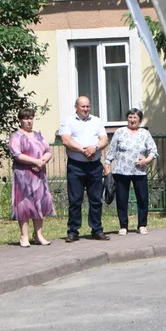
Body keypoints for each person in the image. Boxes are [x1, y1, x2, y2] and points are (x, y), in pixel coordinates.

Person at [58, 96, 111, 242]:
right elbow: (66, 140)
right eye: (83, 106)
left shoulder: (96, 121)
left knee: (96, 199)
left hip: (94, 165)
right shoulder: (68, 121)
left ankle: (97, 229)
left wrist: (94, 148)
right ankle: (73, 231)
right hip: (76, 166)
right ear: (76, 107)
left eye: (88, 106)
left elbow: (104, 139)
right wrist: (84, 150)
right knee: (75, 200)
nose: (86, 109)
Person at [103, 107, 158, 235]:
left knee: (142, 198)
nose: (132, 120)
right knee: (122, 199)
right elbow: (112, 150)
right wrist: (107, 164)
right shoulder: (120, 132)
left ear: (139, 120)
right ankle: (123, 226)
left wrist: (147, 160)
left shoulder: (145, 133)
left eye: (135, 118)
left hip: (139, 171)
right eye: (130, 117)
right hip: (121, 171)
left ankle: (142, 225)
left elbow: (153, 151)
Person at [9, 108, 54, 247]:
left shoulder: (38, 135)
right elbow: (16, 154)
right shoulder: (16, 136)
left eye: (31, 118)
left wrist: (43, 161)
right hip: (23, 175)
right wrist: (35, 162)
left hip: (39, 174)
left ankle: (39, 235)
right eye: (25, 118)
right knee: (24, 204)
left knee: (39, 202)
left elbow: (48, 150)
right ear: (20, 120)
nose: (29, 121)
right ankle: (24, 236)